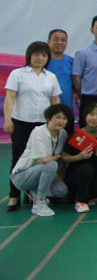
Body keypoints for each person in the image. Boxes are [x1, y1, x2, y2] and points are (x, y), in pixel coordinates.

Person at [4, 41, 62, 211]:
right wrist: (7, 119)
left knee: (41, 159)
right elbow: (10, 98)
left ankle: (33, 194)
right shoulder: (18, 74)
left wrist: (58, 121)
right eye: (36, 54)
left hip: (44, 125)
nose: (40, 58)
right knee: (18, 157)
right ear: (29, 56)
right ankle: (14, 195)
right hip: (21, 122)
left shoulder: (50, 77)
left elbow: (55, 101)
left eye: (44, 55)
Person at [10, 105, 71, 216]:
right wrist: (59, 157)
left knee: (61, 190)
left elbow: (62, 161)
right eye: (58, 117)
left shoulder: (63, 133)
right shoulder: (38, 131)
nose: (61, 121)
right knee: (51, 164)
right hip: (22, 175)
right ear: (48, 118)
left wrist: (59, 175)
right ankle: (39, 203)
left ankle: (34, 192)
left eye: (64, 118)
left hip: (44, 172)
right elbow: (43, 159)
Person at [62, 102, 97, 213]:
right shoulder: (76, 135)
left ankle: (89, 197)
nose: (94, 118)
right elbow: (64, 157)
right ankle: (81, 201)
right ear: (85, 115)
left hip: (96, 173)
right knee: (87, 169)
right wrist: (79, 157)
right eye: (91, 114)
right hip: (77, 174)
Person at [46, 29, 74, 112]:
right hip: (45, 107)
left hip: (66, 108)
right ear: (48, 42)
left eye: (63, 40)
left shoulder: (72, 62)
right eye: (56, 39)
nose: (59, 42)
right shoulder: (42, 61)